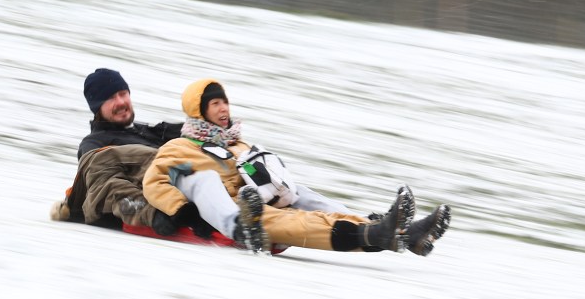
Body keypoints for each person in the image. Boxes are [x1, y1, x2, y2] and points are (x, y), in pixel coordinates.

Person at [143, 78, 452, 255]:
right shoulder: (179, 148)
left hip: (261, 197)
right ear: (199, 112)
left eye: (225, 102)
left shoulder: (238, 144)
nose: (224, 109)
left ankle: (397, 231)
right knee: (203, 181)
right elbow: (154, 183)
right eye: (215, 104)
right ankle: (240, 226)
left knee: (306, 197)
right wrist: (184, 212)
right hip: (235, 210)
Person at [51, 68, 263, 248]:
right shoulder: (96, 146)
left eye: (123, 94)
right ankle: (235, 222)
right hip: (171, 202)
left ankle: (272, 201)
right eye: (111, 98)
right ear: (96, 107)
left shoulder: (153, 132)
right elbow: (108, 189)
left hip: (215, 181)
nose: (121, 102)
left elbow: (204, 129)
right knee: (201, 178)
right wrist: (154, 215)